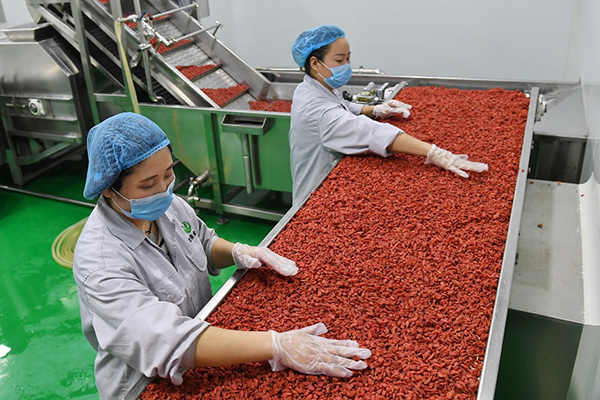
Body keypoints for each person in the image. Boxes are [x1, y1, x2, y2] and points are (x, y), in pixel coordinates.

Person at [73, 113, 371, 399]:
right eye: (147, 184)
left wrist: (238, 251)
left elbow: (202, 242)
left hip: (205, 346)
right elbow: (165, 339)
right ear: (108, 189)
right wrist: (277, 344)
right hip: (144, 381)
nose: (163, 190)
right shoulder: (100, 262)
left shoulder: (169, 205)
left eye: (168, 174)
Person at [289, 25, 489, 204]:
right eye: (340, 60)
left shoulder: (310, 87)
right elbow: (370, 132)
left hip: (329, 176)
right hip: (317, 192)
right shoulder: (318, 110)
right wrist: (434, 152)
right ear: (315, 63)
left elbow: (342, 105)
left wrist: (376, 109)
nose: (347, 65)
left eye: (348, 58)